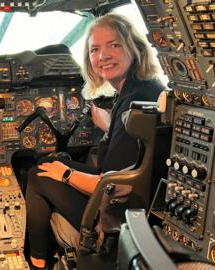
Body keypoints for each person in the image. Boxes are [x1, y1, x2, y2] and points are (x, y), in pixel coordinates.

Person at [25, 14, 164, 269]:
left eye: (114, 45)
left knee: (38, 174)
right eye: (95, 49)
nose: (103, 56)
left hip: (115, 218)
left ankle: (37, 262)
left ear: (134, 47)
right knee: (50, 162)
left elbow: (109, 185)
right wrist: (109, 124)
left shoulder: (134, 104)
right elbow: (132, 150)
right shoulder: (143, 89)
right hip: (135, 206)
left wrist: (65, 174)